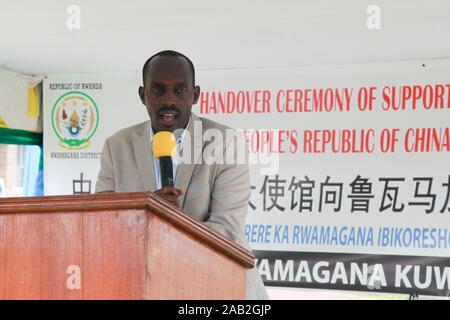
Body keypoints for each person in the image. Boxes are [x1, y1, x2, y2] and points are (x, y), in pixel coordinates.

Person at [95, 50, 268, 299]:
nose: (168, 100)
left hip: (219, 288)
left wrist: (169, 222)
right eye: (157, 90)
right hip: (146, 288)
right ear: (143, 95)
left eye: (179, 90)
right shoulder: (117, 146)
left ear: (195, 94)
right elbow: (102, 222)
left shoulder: (226, 143)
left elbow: (228, 231)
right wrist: (147, 213)